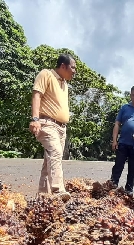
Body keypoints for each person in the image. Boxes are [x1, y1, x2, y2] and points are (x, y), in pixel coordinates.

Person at [28, 54, 77, 202]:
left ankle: (43, 198)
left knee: (49, 161)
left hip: (62, 128)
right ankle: (58, 190)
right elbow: (37, 95)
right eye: (73, 67)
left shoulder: (65, 84)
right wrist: (35, 119)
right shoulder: (46, 74)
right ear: (63, 66)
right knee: (55, 152)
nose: (74, 71)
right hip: (47, 123)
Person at [110, 85, 134, 194]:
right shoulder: (124, 107)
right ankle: (111, 189)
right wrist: (114, 140)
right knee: (118, 166)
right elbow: (117, 124)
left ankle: (128, 192)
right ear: (130, 95)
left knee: (133, 170)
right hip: (123, 143)